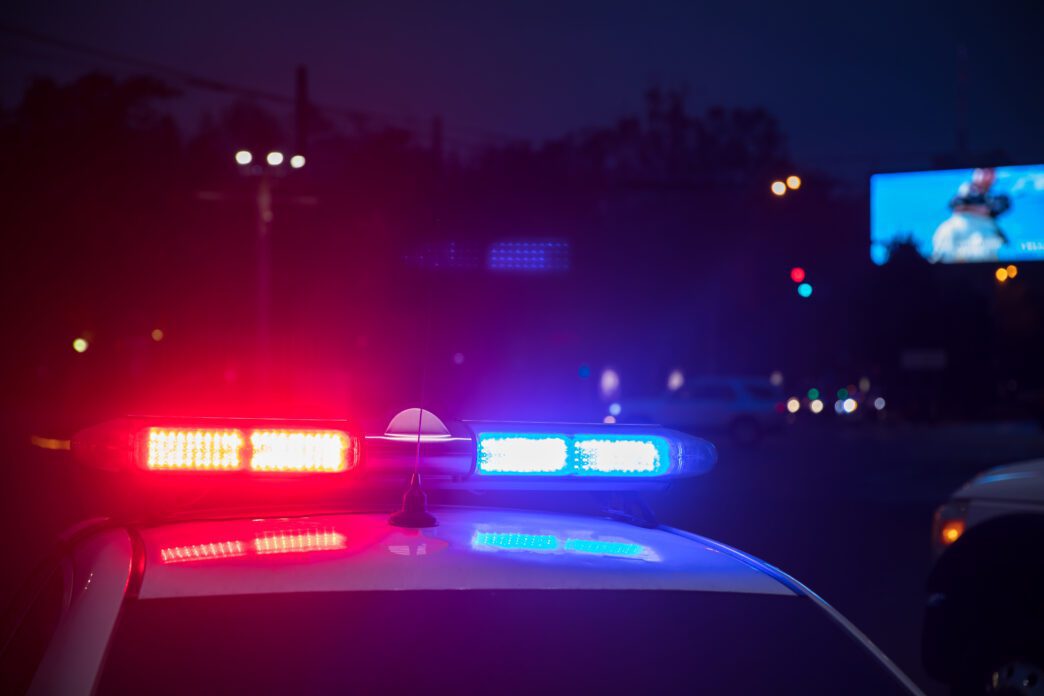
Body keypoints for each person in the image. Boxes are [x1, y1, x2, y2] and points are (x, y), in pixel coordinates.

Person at [931, 167, 1011, 262]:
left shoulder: (997, 196)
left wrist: (968, 207)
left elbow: (997, 208)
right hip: (959, 231)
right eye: (982, 171)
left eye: (990, 172)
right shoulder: (964, 192)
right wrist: (969, 197)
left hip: (983, 236)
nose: (985, 175)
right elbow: (955, 205)